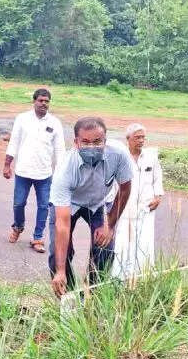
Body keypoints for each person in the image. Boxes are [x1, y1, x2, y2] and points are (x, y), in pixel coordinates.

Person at [49, 117, 133, 297]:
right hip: (69, 204)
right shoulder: (65, 169)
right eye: (85, 142)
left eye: (97, 141)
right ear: (76, 143)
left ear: (105, 140)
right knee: (57, 254)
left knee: (105, 248)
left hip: (98, 204)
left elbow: (125, 190)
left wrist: (109, 225)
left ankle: (91, 296)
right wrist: (61, 270)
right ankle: (68, 299)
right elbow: (62, 224)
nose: (92, 147)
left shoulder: (118, 154)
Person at [4, 88, 65, 253]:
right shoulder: (22, 119)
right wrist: (7, 164)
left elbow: (60, 151)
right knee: (19, 203)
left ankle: (37, 238)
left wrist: (60, 173)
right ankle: (18, 226)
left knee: (44, 206)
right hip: (23, 171)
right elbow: (14, 142)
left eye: (47, 101)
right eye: (41, 100)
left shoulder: (55, 123)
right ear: (34, 101)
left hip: (44, 173)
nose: (44, 103)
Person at [110, 123, 165, 280]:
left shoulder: (151, 156)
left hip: (146, 208)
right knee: (123, 244)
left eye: (143, 137)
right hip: (125, 209)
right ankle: (119, 277)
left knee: (145, 244)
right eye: (137, 137)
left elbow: (157, 179)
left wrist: (158, 197)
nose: (141, 141)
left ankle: (144, 277)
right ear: (128, 139)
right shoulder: (121, 157)